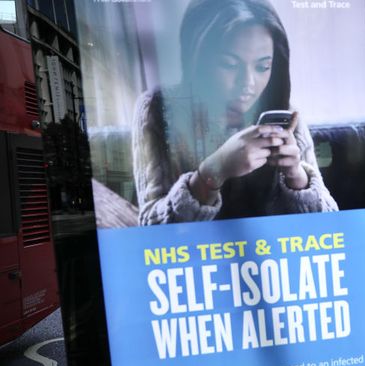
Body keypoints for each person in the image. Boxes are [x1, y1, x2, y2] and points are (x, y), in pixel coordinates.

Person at [132, 0, 337, 225]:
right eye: (229, 65)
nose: (247, 84)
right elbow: (151, 227)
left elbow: (329, 224)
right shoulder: (158, 107)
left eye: (262, 67)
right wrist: (212, 172)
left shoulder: (285, 112)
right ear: (198, 59)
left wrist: (296, 176)